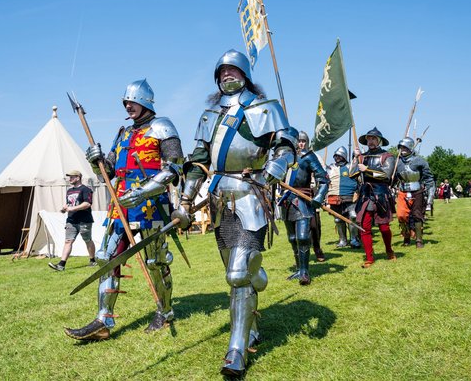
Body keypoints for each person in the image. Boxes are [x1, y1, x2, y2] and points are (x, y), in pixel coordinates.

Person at [178, 49, 297, 376]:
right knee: (238, 277)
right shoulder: (209, 115)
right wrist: (186, 201)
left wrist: (274, 167)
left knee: (236, 275)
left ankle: (237, 349)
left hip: (250, 198)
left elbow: (287, 144)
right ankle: (255, 298)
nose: (227, 75)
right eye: (222, 72)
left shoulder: (265, 108)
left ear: (244, 74)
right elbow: (198, 160)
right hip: (219, 201)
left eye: (233, 70)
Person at [64, 78, 184, 341]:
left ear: (144, 102)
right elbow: (108, 170)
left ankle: (165, 311)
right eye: (125, 102)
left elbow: (174, 168)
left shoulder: (162, 127)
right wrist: (95, 160)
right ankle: (102, 321)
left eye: (131, 101)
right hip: (120, 206)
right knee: (108, 258)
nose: (127, 105)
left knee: (155, 262)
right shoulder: (122, 133)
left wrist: (142, 191)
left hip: (151, 205)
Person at [278, 131, 329, 285]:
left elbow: (324, 178)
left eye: (302, 141)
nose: (300, 144)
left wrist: (319, 197)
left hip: (303, 200)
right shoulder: (283, 157)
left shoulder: (308, 157)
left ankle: (305, 272)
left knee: (303, 237)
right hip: (287, 201)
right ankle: (299, 268)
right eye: (297, 141)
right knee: (293, 238)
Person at [353, 127, 396, 268]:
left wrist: (367, 170)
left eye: (373, 139)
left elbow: (385, 175)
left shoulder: (387, 156)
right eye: (368, 139)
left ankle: (389, 250)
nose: (370, 141)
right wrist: (355, 159)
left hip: (381, 194)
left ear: (379, 141)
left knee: (384, 227)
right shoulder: (363, 157)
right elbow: (352, 174)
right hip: (366, 195)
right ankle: (369, 258)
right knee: (364, 227)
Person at [48, 170, 95, 271]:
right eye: (69, 177)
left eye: (72, 177)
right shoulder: (69, 191)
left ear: (78, 178)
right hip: (71, 220)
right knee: (68, 241)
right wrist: (65, 208)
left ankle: (92, 260)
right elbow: (70, 203)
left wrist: (73, 208)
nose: (70, 179)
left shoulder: (86, 189)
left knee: (87, 240)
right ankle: (61, 265)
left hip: (84, 220)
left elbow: (87, 204)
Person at [393, 138, 435, 248]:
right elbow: (392, 178)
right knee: (401, 215)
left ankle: (419, 240)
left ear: (411, 147)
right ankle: (406, 236)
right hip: (402, 191)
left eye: (405, 147)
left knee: (417, 216)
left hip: (417, 191)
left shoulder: (419, 161)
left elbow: (429, 180)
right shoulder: (397, 161)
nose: (403, 150)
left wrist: (430, 198)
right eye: (401, 147)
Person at [326, 146, 359, 249]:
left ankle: (354, 239)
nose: (337, 158)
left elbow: (357, 170)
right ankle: (343, 240)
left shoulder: (351, 166)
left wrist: (357, 155)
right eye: (335, 156)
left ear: (344, 156)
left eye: (339, 156)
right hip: (335, 197)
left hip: (350, 196)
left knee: (353, 216)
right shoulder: (331, 168)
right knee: (338, 219)